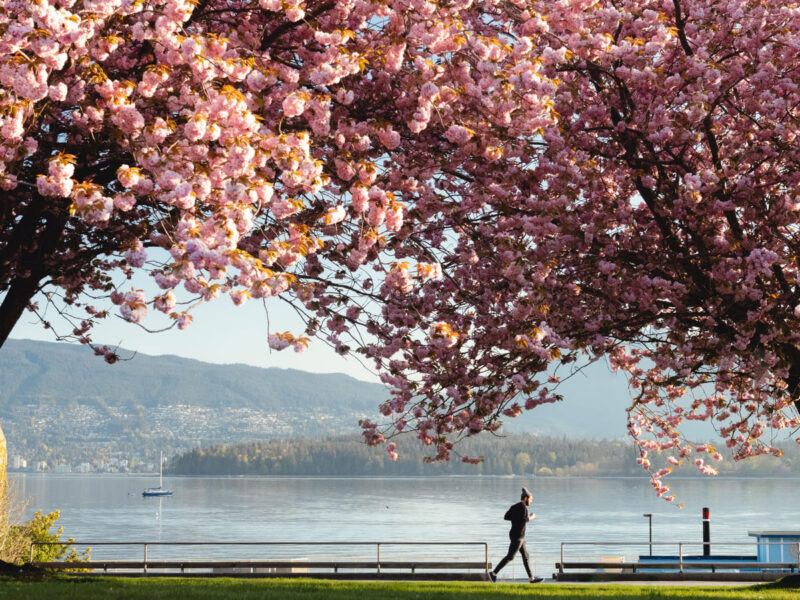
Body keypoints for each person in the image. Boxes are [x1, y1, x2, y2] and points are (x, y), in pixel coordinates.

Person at [488, 487, 544, 583]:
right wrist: (531, 517)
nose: (531, 501)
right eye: (530, 499)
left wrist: (516, 518)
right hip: (518, 537)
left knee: (526, 556)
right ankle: (493, 573)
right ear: (525, 498)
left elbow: (506, 517)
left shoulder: (514, 506)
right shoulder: (523, 508)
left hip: (518, 536)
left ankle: (532, 578)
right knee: (510, 557)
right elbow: (523, 520)